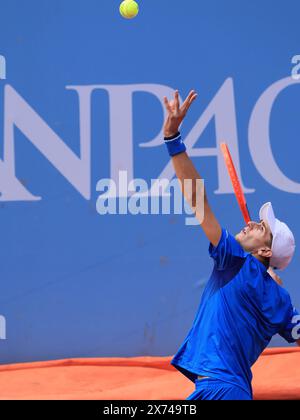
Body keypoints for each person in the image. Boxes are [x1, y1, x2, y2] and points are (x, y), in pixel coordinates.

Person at [163, 89, 300, 401]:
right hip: (233, 390)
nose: (250, 222)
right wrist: (271, 286)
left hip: (219, 389)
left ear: (264, 252)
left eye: (261, 228)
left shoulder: (239, 261)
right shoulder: (279, 299)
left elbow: (198, 201)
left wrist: (172, 138)